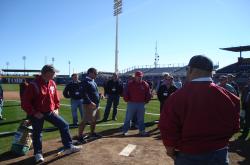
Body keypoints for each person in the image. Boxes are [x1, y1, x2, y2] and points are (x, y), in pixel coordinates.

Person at [159, 55, 240, 165]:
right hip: (220, 153)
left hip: (189, 154)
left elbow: (168, 128)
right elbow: (235, 126)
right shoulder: (229, 95)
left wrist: (170, 151)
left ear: (191, 69)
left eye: (187, 69)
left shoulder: (177, 97)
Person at [21, 65, 81, 163]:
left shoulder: (52, 83)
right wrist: (34, 113)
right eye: (53, 73)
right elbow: (25, 103)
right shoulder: (33, 85)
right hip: (37, 113)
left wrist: (56, 108)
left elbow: (55, 98)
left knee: (64, 125)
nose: (55, 74)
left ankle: (68, 146)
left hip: (49, 112)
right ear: (46, 73)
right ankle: (38, 153)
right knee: (37, 133)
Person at [122, 71, 151, 136]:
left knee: (141, 119)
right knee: (128, 118)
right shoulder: (130, 84)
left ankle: (142, 131)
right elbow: (125, 92)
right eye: (138, 76)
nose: (139, 78)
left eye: (140, 76)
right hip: (131, 103)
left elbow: (148, 94)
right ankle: (125, 131)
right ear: (135, 77)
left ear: (142, 76)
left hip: (141, 104)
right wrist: (126, 100)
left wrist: (146, 101)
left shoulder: (145, 84)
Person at [78, 68, 101, 143]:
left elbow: (93, 92)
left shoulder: (92, 81)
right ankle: (80, 136)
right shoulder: (85, 81)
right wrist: (90, 102)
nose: (96, 75)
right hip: (89, 105)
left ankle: (92, 133)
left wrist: (99, 95)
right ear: (90, 73)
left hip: (95, 104)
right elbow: (83, 93)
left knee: (94, 120)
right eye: (95, 73)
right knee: (85, 120)